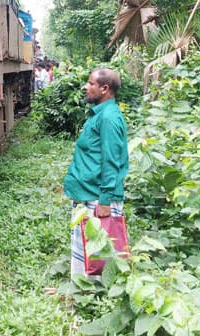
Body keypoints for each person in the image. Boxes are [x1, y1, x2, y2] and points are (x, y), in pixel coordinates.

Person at [64, 68, 129, 281]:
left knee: (100, 247)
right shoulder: (99, 114)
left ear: (104, 89)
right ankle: (81, 288)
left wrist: (105, 200)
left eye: (91, 83)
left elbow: (112, 161)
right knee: (86, 246)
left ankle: (97, 294)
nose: (86, 86)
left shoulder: (109, 118)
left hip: (97, 196)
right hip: (87, 193)